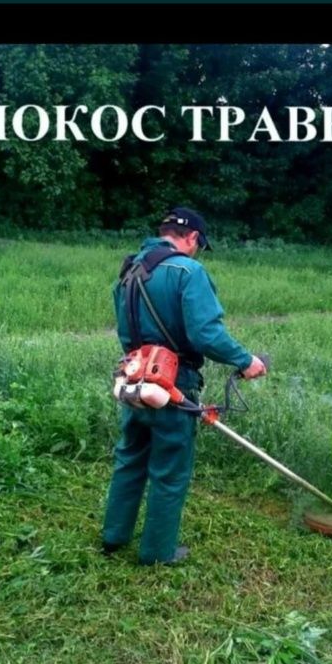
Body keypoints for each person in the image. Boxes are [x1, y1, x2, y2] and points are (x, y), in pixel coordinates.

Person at [101, 206, 267, 565]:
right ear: (192, 238)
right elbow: (205, 334)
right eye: (198, 244)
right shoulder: (188, 271)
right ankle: (158, 553)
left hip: (135, 379)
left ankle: (113, 537)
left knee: (130, 458)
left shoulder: (129, 271)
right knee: (169, 469)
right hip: (174, 385)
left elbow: (125, 333)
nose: (196, 251)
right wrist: (246, 360)